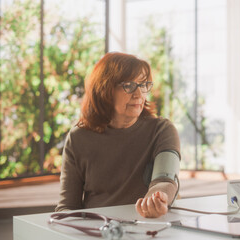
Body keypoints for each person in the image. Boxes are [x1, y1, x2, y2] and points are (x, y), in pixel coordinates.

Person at [55, 52, 181, 219]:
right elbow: (67, 207)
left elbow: (165, 180)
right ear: (105, 89)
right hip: (98, 230)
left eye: (143, 85)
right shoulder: (78, 137)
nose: (139, 94)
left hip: (149, 225)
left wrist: (157, 199)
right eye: (129, 85)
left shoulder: (162, 129)